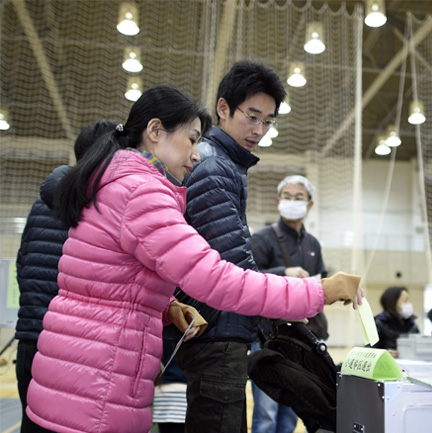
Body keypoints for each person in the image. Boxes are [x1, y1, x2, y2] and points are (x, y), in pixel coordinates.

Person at [24, 85, 363, 433]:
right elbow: (217, 278)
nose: (198, 155)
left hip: (75, 375)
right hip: (94, 386)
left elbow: (110, 276)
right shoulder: (142, 191)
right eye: (191, 139)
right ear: (155, 131)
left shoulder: (117, 181)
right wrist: (319, 290)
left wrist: (167, 305)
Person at [174, 61, 338, 433]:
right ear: (223, 108)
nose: (259, 130)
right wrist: (315, 293)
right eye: (252, 116)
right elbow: (234, 266)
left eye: (268, 121)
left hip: (228, 327)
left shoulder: (227, 166)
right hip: (218, 330)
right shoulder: (215, 168)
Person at [14, 119, 117, 433]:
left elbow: (23, 266)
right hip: (67, 350)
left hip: (31, 342)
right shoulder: (95, 206)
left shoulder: (40, 203)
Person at [249, 175, 328, 433]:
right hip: (267, 334)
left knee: (294, 411)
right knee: (266, 411)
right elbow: (246, 279)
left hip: (301, 339)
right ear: (278, 201)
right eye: (287, 197)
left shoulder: (313, 244)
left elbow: (321, 284)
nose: (292, 202)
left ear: (310, 204)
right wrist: (283, 272)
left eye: (299, 198)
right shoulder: (262, 239)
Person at [373, 286, 419, 358]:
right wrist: (384, 354)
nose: (409, 304)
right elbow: (369, 350)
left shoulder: (412, 323)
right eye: (405, 301)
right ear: (393, 303)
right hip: (387, 365)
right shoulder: (379, 323)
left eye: (408, 300)